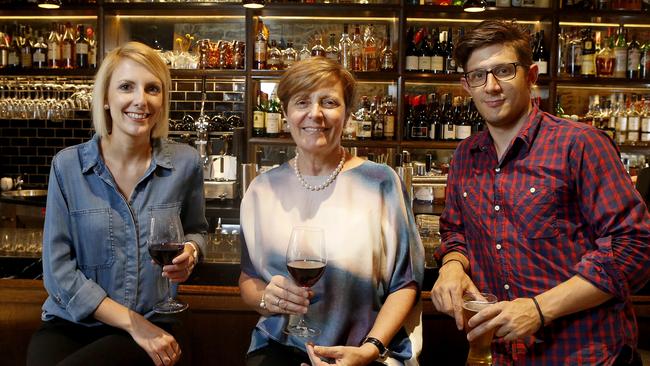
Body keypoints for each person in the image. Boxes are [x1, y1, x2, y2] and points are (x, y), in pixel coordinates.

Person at [430, 19, 650, 365]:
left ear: (531, 75)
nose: (491, 86)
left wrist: (538, 309)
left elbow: (634, 248)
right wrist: (452, 267)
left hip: (581, 355)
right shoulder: (465, 156)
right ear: (466, 85)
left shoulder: (579, 145)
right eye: (478, 75)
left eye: (504, 70)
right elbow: (455, 230)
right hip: (501, 356)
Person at [26, 41, 208, 366]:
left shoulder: (185, 163)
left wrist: (191, 253)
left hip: (155, 317)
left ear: (163, 99)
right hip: (72, 322)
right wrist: (130, 321)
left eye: (153, 88)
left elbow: (196, 231)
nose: (141, 100)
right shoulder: (68, 167)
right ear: (106, 99)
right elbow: (57, 272)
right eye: (127, 87)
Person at [238, 57, 424, 366]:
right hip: (280, 346)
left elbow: (406, 284)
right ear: (285, 114)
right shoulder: (262, 189)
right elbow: (248, 279)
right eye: (302, 102)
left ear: (347, 115)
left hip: (366, 351)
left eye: (329, 102)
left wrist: (370, 348)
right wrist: (265, 299)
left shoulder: (380, 182)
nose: (315, 114)